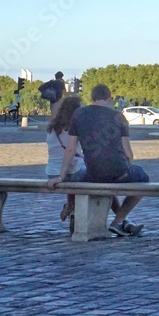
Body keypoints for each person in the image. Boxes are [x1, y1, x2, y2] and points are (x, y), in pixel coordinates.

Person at [45, 84, 147, 237]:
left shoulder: (78, 115)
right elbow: (128, 154)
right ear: (109, 98)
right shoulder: (119, 116)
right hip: (118, 171)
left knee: (103, 180)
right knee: (143, 179)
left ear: (92, 98)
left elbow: (71, 149)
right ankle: (118, 221)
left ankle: (121, 221)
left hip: (93, 172)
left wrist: (61, 176)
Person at [46, 97, 120, 230]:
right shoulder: (76, 127)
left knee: (77, 174)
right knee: (102, 179)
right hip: (68, 173)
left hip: (51, 173)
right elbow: (74, 152)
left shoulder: (52, 128)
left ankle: (71, 206)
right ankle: (121, 219)